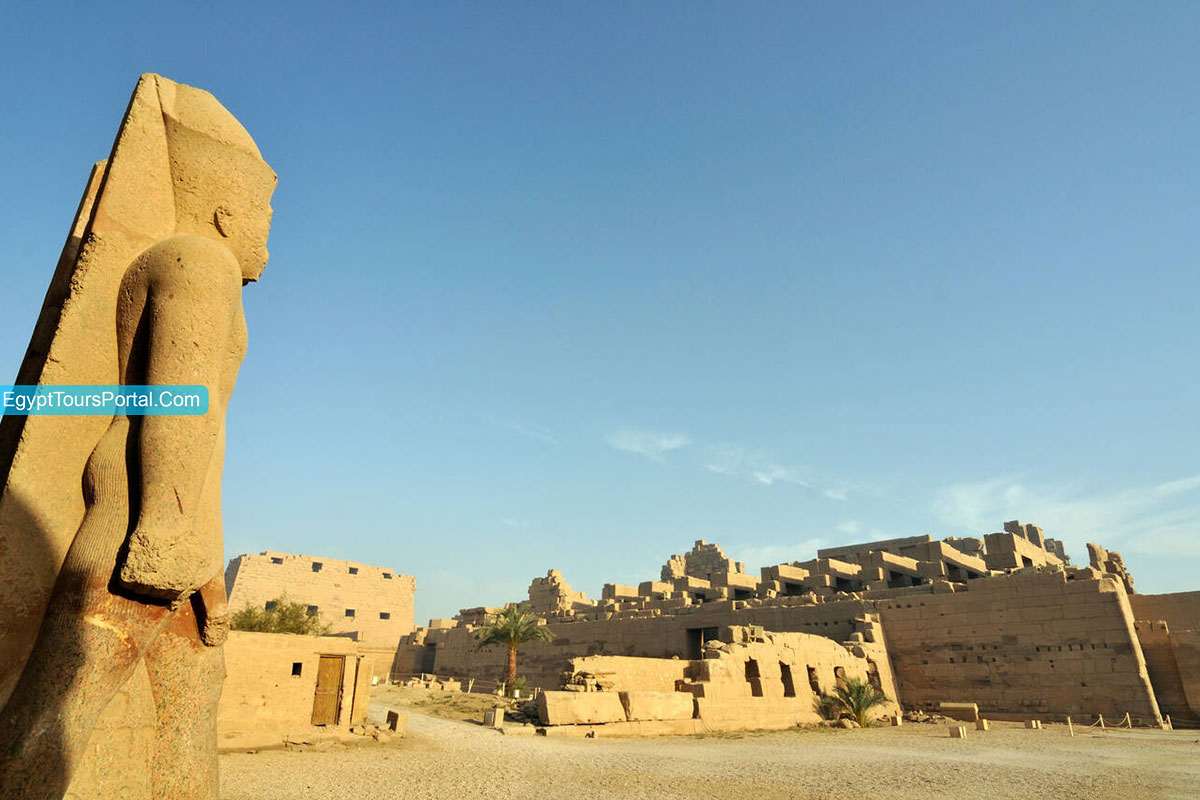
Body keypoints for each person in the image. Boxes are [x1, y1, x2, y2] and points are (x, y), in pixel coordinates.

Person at [0, 76, 276, 800]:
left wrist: (206, 562)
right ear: (225, 211)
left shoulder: (169, 261)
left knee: (168, 716)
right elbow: (179, 404)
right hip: (149, 531)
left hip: (170, 529)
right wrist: (169, 539)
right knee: (58, 717)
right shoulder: (200, 264)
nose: (268, 237)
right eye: (265, 214)